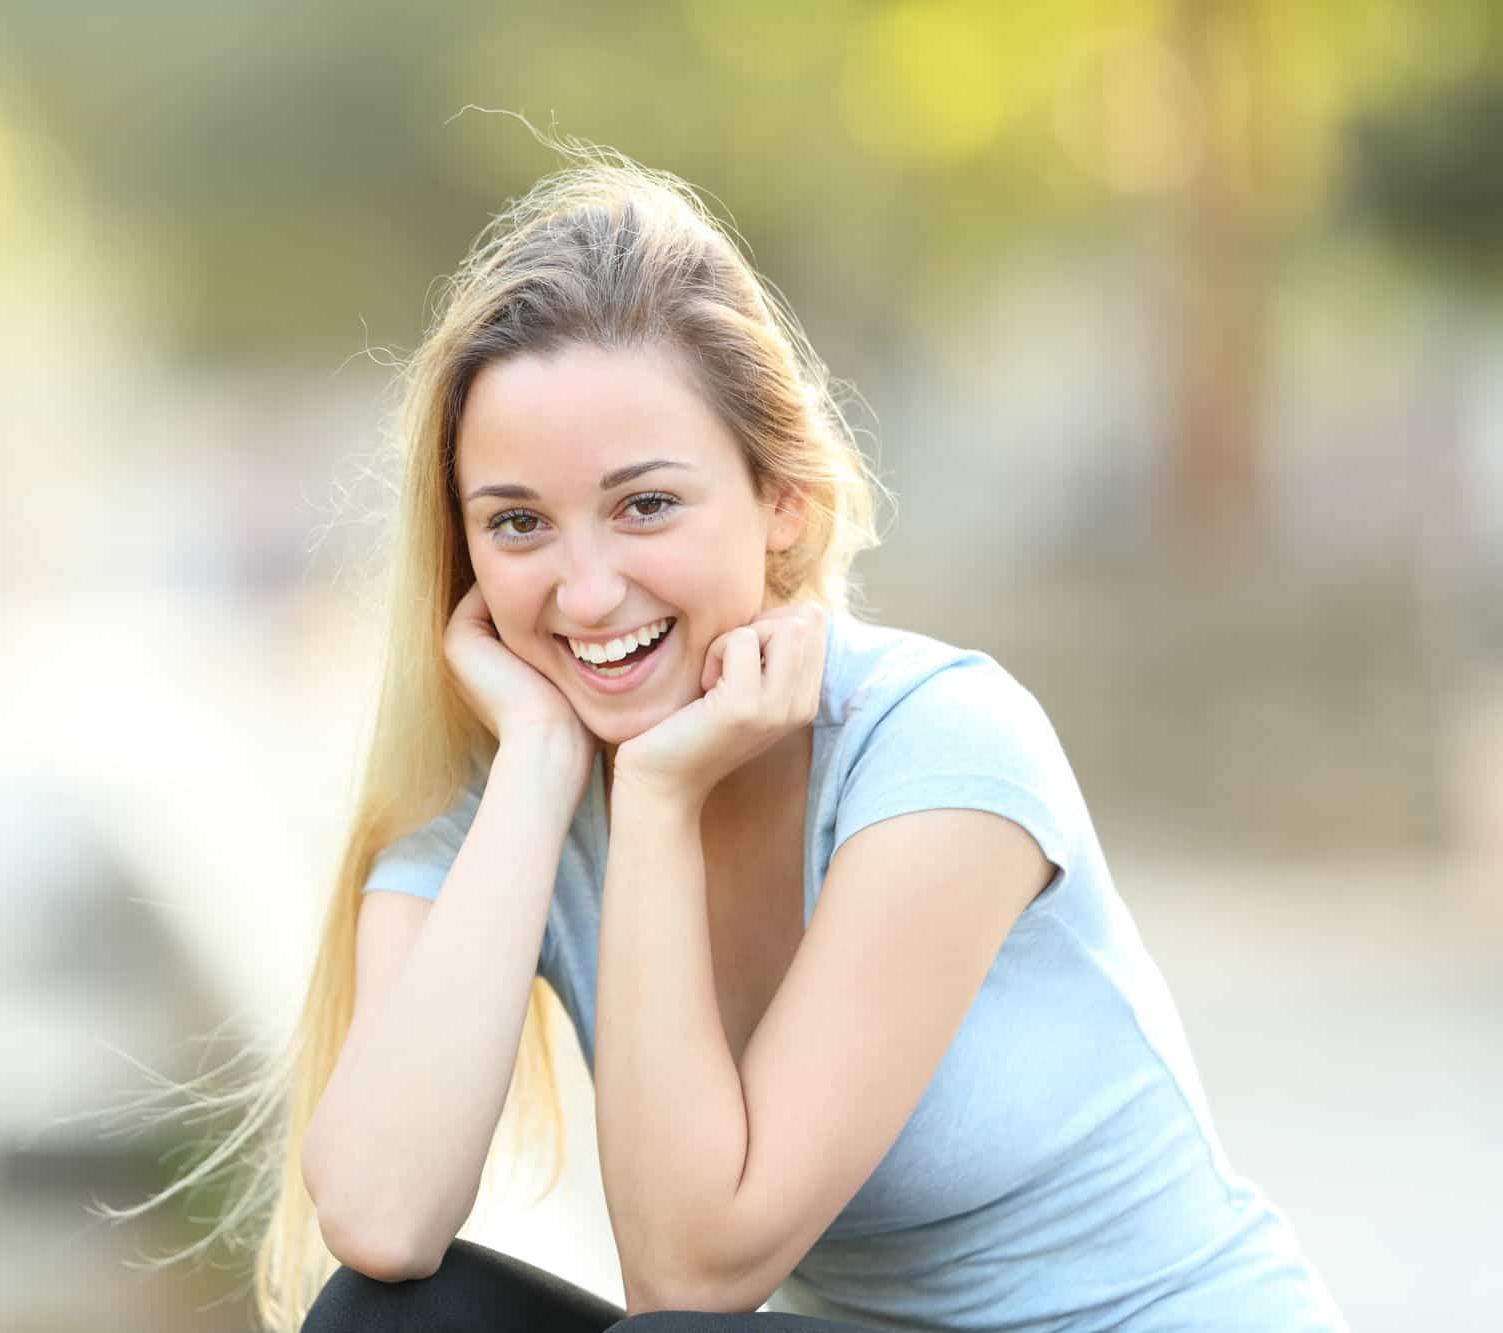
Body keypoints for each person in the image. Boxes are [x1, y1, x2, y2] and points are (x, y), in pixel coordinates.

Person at [134, 141, 1351, 1333]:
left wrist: (657, 800)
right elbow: (383, 1222)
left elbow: (692, 1277)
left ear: (783, 503)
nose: (586, 590)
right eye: (517, 524)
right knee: (393, 1319)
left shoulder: (936, 748)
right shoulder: (495, 819)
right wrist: (544, 775)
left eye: (644, 504)